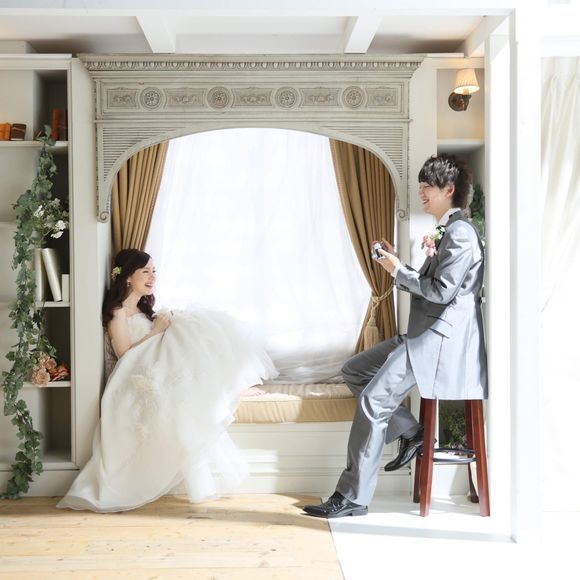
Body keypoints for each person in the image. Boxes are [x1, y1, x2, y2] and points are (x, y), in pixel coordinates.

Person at [303, 153, 487, 518]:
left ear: (449, 189)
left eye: (427, 187)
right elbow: (431, 282)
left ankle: (352, 497)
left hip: (437, 342)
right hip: (422, 334)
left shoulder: (461, 234)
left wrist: (397, 270)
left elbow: (441, 292)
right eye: (421, 186)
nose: (421, 193)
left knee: (373, 402)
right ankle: (413, 432)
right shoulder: (446, 230)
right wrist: (397, 261)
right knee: (354, 369)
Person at [57, 249, 277, 513]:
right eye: (145, 271)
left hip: (151, 365)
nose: (152, 277)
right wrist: (157, 331)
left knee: (193, 326)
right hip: (133, 374)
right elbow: (124, 354)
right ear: (127, 277)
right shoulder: (117, 311)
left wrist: (167, 325)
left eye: (154, 271)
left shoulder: (142, 308)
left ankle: (232, 385)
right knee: (185, 338)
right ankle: (231, 387)